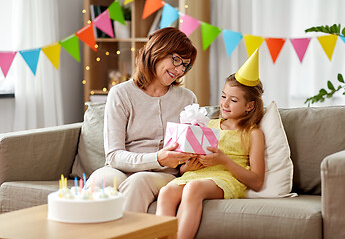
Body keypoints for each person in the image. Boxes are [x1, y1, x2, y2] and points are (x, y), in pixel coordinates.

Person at [156, 49, 265, 239]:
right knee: (166, 192)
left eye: (233, 100)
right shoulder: (208, 124)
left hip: (226, 178)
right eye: (223, 96)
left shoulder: (253, 133)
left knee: (193, 188)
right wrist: (188, 167)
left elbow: (256, 181)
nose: (225, 104)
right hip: (197, 175)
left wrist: (224, 161)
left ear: (249, 106)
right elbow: (183, 170)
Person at [87, 27, 198, 213]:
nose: (180, 70)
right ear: (157, 51)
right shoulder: (121, 94)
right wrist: (158, 158)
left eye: (185, 65)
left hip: (164, 175)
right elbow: (113, 156)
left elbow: (190, 152)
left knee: (139, 181)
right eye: (176, 60)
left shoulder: (187, 99)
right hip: (120, 169)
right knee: (100, 181)